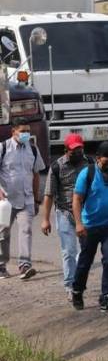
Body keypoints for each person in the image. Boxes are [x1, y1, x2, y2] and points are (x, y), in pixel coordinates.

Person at [70, 141, 108, 312]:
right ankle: (77, 290)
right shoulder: (87, 174)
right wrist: (79, 224)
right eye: (106, 159)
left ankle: (107, 297)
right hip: (89, 227)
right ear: (97, 159)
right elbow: (77, 199)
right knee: (85, 262)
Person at [41, 133, 91, 299]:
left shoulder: (89, 164)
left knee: (85, 251)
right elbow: (48, 195)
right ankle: (70, 284)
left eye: (79, 149)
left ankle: (78, 280)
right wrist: (45, 219)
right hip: (64, 213)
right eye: (73, 150)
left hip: (86, 214)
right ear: (66, 150)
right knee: (69, 251)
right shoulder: (57, 167)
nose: (77, 153)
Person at [0, 117, 45, 280]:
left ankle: (24, 265)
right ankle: (1, 265)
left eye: (28, 131)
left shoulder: (32, 149)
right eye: (22, 131)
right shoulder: (3, 148)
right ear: (13, 132)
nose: (26, 134)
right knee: (3, 233)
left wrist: (37, 198)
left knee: (26, 230)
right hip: (6, 200)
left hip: (27, 198)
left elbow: (36, 174)